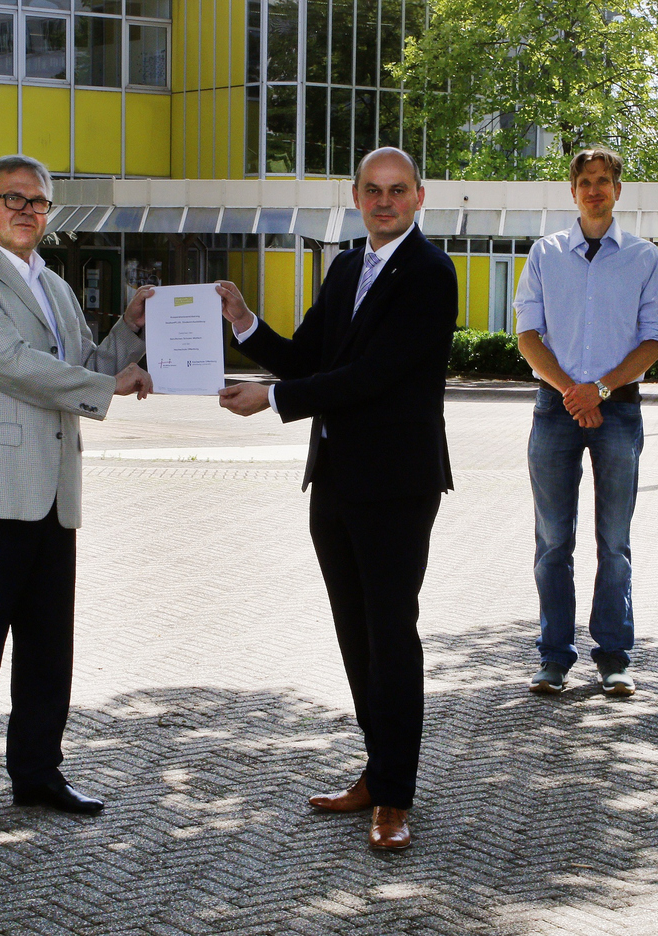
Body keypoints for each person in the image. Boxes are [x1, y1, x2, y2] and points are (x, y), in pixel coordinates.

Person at [216, 146, 457, 851]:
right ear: (356, 196)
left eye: (398, 191)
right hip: (336, 480)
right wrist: (245, 324)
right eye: (373, 191)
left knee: (391, 634)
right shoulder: (348, 264)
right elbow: (312, 358)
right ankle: (378, 771)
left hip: (398, 486)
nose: (384, 202)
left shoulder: (430, 273)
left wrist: (275, 400)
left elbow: (373, 375)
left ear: (419, 196)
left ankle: (396, 798)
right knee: (356, 637)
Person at [0, 154, 154, 838]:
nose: (27, 210)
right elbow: (10, 363)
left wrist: (133, 327)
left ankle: (36, 774)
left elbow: (83, 368)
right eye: (12, 198)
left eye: (38, 202)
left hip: (55, 493)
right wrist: (100, 387)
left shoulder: (54, 285)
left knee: (48, 650)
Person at [514, 147, 658, 699]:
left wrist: (597, 390)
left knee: (615, 540)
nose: (595, 190)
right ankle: (553, 658)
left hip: (618, 408)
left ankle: (614, 658)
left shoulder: (645, 257)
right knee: (553, 541)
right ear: (572, 190)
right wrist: (571, 393)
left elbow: (655, 338)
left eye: (604, 181)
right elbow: (528, 333)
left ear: (618, 190)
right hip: (555, 409)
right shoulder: (545, 253)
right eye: (585, 181)